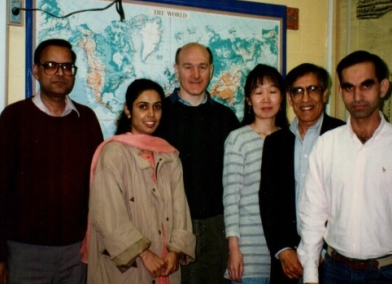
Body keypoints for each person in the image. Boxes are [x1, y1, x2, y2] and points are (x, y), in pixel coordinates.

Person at [297, 50, 392, 284]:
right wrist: (310, 275)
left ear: (383, 87)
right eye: (349, 87)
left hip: (388, 274)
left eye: (366, 85)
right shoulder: (326, 145)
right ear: (340, 91)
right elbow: (312, 215)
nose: (358, 95)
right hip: (335, 272)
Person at [0, 39, 104, 284]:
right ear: (36, 71)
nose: (60, 73)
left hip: (76, 252)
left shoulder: (87, 120)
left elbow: (99, 187)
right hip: (25, 253)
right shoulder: (14, 118)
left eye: (67, 67)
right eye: (51, 65)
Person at [84, 78, 195, 283]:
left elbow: (181, 211)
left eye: (157, 107)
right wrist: (144, 254)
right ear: (128, 110)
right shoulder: (113, 153)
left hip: (165, 264)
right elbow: (107, 216)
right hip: (129, 266)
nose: (151, 115)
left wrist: (175, 251)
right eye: (143, 107)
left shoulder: (170, 156)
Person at [157, 42, 240, 283]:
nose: (195, 75)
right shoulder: (159, 115)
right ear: (176, 69)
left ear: (212, 70)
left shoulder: (226, 118)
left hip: (217, 227)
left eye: (202, 67)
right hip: (171, 226)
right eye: (188, 67)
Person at [259, 63, 345, 284]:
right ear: (289, 98)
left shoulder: (343, 136)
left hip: (332, 261)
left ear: (325, 94)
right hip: (287, 261)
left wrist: (323, 251)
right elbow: (268, 201)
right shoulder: (275, 142)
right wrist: (282, 249)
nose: (305, 98)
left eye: (313, 89)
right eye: (297, 91)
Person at [223, 64, 287, 284]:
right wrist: (234, 249)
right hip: (248, 256)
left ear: (282, 97)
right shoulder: (237, 139)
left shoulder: (289, 140)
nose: (266, 99)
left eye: (273, 91)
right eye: (259, 93)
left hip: (285, 255)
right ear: (249, 100)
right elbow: (231, 198)